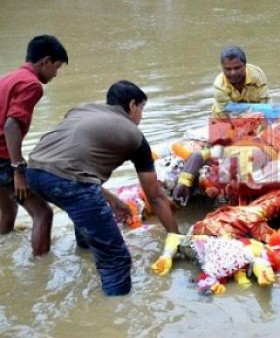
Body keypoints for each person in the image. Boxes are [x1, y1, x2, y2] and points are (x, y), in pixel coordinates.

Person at [25, 80, 181, 296]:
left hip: (32, 174)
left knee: (83, 211)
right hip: (69, 183)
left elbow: (71, 164)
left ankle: (84, 254)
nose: (141, 116)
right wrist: (176, 237)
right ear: (133, 105)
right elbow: (155, 197)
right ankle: (115, 313)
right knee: (117, 259)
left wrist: (114, 201)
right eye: (142, 109)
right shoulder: (135, 137)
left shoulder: (81, 110)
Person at [0, 35, 68, 256]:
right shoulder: (32, 85)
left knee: (8, 212)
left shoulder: (8, 79)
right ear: (46, 61)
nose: (55, 74)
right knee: (43, 214)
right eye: (56, 67)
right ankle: (40, 273)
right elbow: (11, 126)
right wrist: (18, 169)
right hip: (3, 159)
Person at [211, 46, 270, 118]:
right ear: (222, 68)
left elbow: (265, 104)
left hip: (256, 115)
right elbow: (224, 112)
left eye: (237, 68)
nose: (233, 73)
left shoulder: (257, 76)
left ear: (245, 65)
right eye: (228, 69)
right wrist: (247, 116)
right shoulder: (219, 86)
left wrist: (260, 115)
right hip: (224, 118)